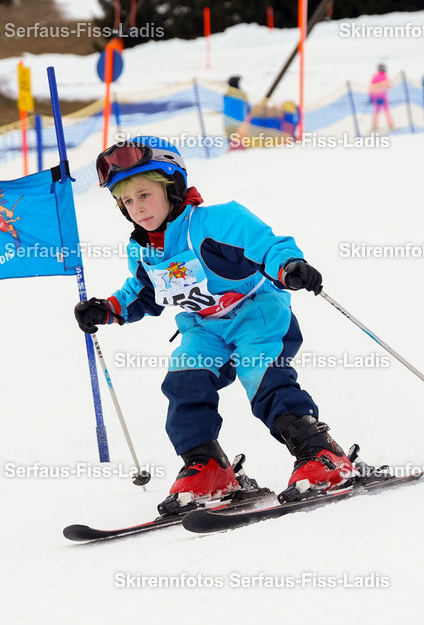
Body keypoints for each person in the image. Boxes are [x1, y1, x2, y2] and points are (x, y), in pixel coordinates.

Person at [74, 136, 354, 514]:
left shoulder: (216, 221)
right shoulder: (143, 249)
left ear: (172, 187)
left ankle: (320, 453)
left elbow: (267, 245)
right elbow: (142, 292)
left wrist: (288, 267)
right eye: (127, 201)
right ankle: (207, 466)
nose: (137, 208)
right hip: (204, 328)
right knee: (184, 380)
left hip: (255, 312)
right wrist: (106, 309)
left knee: (262, 376)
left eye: (144, 195)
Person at [369, 63, 394, 132]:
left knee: (376, 111)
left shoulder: (375, 77)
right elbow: (389, 86)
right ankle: (390, 125)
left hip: (375, 96)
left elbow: (371, 88)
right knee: (386, 110)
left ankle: (374, 125)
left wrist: (370, 97)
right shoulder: (385, 77)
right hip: (383, 96)